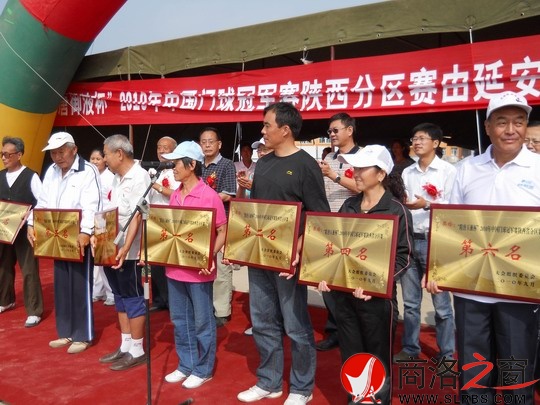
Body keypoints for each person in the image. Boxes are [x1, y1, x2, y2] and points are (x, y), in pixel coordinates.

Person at [427, 91, 540, 404]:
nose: (510, 130)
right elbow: (449, 225)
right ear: (488, 127)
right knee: (474, 372)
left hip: (519, 289)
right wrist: (437, 269)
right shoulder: (467, 168)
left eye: (518, 122)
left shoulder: (538, 167)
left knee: (517, 372)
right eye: (502, 122)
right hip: (470, 289)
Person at [237, 102, 330, 405]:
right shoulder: (263, 163)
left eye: (267, 125)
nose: (263, 131)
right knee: (262, 320)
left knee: (295, 324)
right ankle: (269, 381)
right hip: (259, 255)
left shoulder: (306, 165)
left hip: (288, 261)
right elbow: (257, 211)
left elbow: (318, 215)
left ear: (285, 130)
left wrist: (298, 249)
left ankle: (302, 387)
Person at [317, 144, 413, 405]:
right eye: (355, 168)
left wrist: (379, 284)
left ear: (381, 174)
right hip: (345, 297)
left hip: (377, 301)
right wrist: (325, 273)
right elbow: (337, 247)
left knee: (377, 355)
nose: (355, 173)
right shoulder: (349, 205)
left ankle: (378, 399)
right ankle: (357, 398)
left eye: (362, 168)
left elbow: (404, 257)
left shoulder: (396, 210)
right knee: (352, 354)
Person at [27, 132, 101, 353]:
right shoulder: (51, 171)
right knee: (61, 285)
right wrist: (31, 223)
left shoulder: (88, 171)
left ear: (74, 150)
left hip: (78, 234)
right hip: (56, 234)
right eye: (53, 153)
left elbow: (92, 204)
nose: (57, 157)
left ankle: (83, 334)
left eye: (61, 152)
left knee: (80, 284)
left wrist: (86, 231)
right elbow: (42, 201)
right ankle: (66, 331)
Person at [161, 141, 227, 389]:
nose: (173, 168)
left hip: (199, 271)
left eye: (177, 163)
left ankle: (203, 368)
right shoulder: (175, 194)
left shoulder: (209, 195)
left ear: (191, 165)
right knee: (180, 320)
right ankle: (186, 364)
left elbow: (222, 230)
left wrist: (211, 255)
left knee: (202, 322)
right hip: (175, 268)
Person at [396, 123, 456, 363]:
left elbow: (455, 207)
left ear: (436, 143)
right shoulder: (407, 172)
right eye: (414, 138)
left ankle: (447, 354)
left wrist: (428, 205)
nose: (417, 142)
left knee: (441, 304)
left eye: (422, 138)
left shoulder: (448, 171)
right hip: (411, 239)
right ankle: (410, 349)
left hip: (436, 240)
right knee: (411, 303)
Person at [98, 134, 151, 371]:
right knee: (119, 295)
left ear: (119, 153)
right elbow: (110, 211)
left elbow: (138, 215)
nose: (104, 159)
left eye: (106, 154)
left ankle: (138, 349)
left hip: (129, 250)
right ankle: (126, 344)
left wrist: (127, 247)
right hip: (111, 245)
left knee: (133, 296)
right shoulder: (116, 178)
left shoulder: (139, 176)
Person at [316, 112, 360, 351]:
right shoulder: (328, 158)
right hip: (329, 226)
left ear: (349, 130)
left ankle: (353, 330)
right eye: (329, 131)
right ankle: (334, 330)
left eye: (335, 130)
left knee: (352, 283)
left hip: (354, 228)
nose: (331, 135)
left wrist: (334, 175)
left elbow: (363, 188)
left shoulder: (362, 158)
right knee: (329, 283)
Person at [0, 137, 44, 327]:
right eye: (2, 154)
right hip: (3, 229)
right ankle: (5, 300)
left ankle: (34, 310)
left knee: (29, 270)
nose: (4, 158)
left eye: (7, 154)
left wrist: (30, 219)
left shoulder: (31, 176)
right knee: (2, 266)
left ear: (19, 155)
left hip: (26, 230)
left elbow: (42, 202)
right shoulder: (0, 176)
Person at [199, 127, 236, 327]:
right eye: (203, 142)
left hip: (221, 223)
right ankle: (206, 306)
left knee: (221, 268)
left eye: (210, 141)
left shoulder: (226, 165)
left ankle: (222, 310)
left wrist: (203, 201)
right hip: (201, 224)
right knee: (203, 265)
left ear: (219, 144)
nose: (207, 145)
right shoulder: (197, 165)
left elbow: (228, 194)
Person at [237, 137, 273, 336]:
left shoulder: (280, 172)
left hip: (273, 231)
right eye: (259, 150)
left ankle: (277, 322)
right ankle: (261, 323)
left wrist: (254, 186)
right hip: (253, 228)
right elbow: (239, 200)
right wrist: (243, 186)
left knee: (275, 282)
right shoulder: (253, 172)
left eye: (264, 150)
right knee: (257, 281)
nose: (261, 153)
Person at [147, 136, 180, 312]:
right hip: (154, 220)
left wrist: (157, 187)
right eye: (159, 147)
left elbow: (177, 194)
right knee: (156, 262)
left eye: (165, 148)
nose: (161, 151)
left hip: (171, 220)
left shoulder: (177, 170)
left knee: (171, 262)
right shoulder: (153, 171)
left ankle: (173, 299)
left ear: (174, 150)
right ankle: (159, 299)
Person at [89, 148, 115, 306]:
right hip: (93, 220)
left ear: (105, 160)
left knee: (106, 258)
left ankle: (111, 292)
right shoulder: (89, 176)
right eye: (92, 159)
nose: (95, 161)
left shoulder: (110, 177)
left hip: (106, 220)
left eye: (98, 158)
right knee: (96, 259)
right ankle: (97, 291)